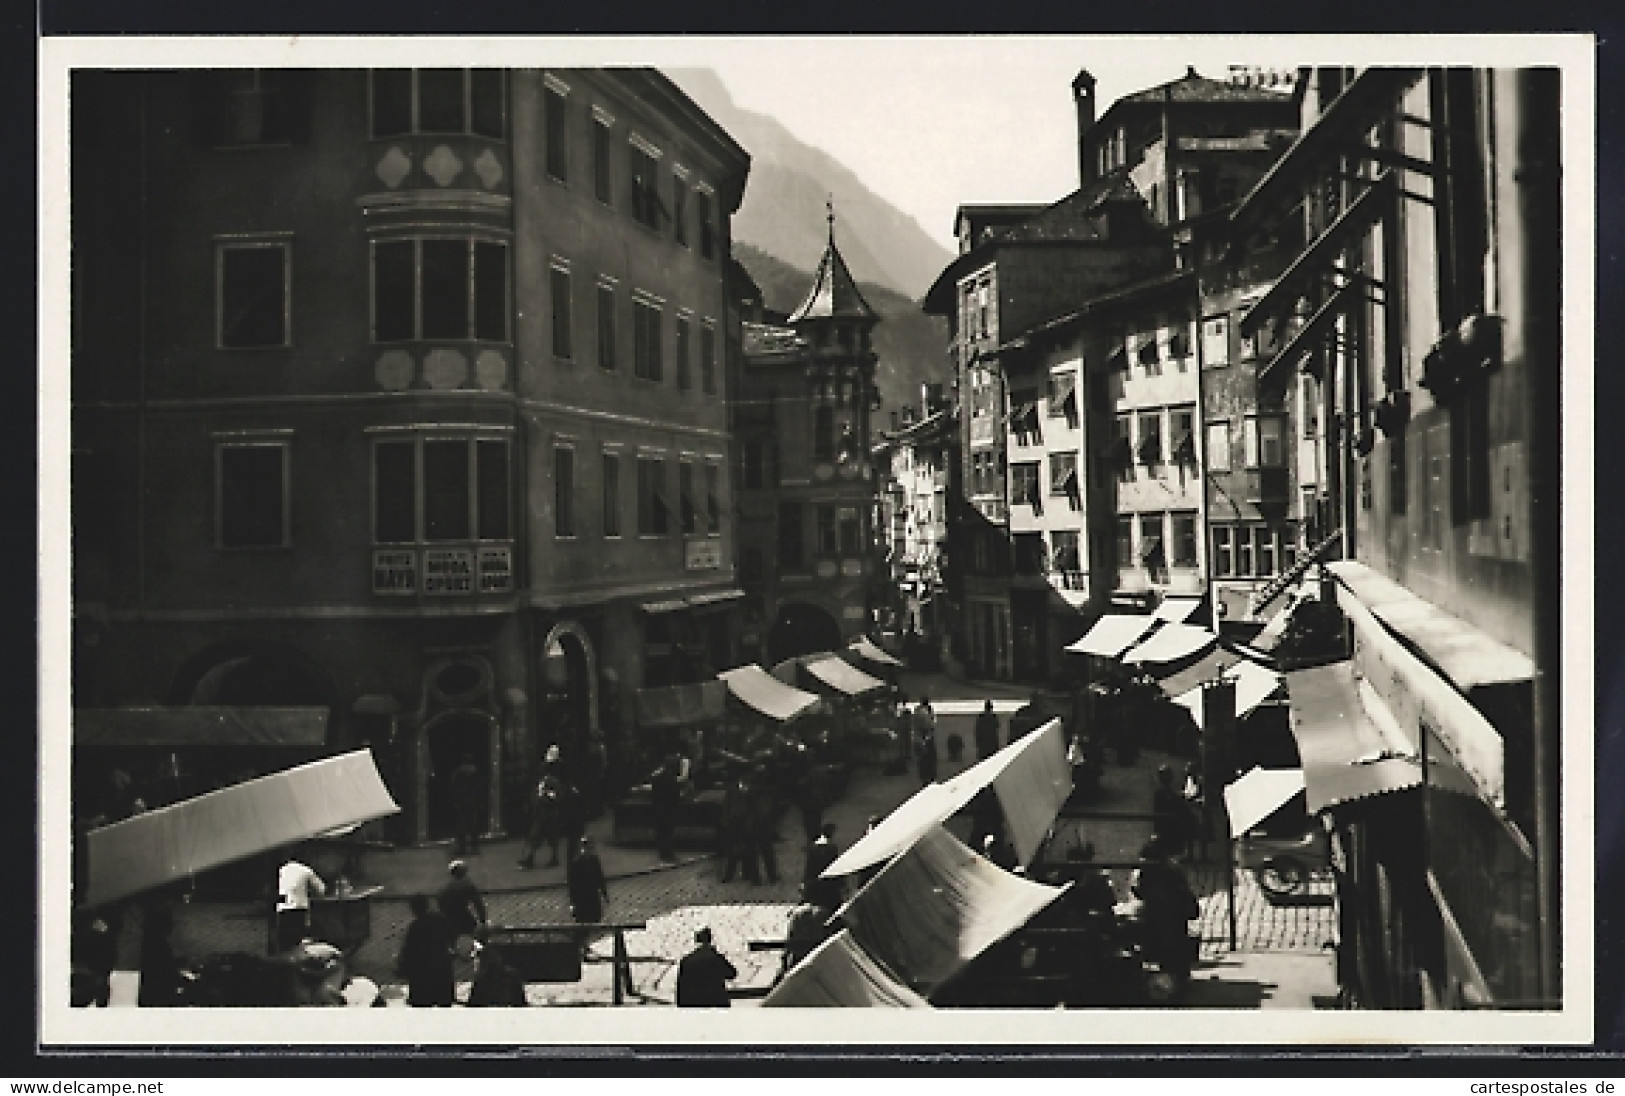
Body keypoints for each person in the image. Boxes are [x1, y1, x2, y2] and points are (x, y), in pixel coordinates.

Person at [1130, 837, 1200, 985]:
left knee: (1162, 944)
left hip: (1158, 914)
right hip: (1172, 916)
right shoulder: (1172, 869)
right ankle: (1177, 974)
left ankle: (1170, 974)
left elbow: (1137, 891)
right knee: (1173, 945)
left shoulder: (1145, 871)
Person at [397, 894, 457, 1007]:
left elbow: (408, 951)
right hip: (441, 967)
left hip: (422, 973)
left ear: (414, 909)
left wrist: (403, 968)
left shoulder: (415, 927)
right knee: (444, 1005)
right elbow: (453, 937)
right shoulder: (440, 919)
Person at [516, 753, 567, 869]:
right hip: (540, 813)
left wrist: (546, 797)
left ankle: (553, 857)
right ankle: (530, 858)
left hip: (550, 813)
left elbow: (557, 797)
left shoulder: (553, 782)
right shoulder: (541, 782)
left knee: (551, 836)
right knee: (535, 835)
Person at [275, 853, 327, 952]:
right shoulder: (306, 870)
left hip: (282, 908)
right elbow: (321, 889)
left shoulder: (282, 869)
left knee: (284, 941)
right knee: (298, 939)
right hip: (299, 908)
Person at [675, 927, 737, 1008]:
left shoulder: (686, 960)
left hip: (691, 1005)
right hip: (714, 1004)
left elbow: (680, 988)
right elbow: (732, 973)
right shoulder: (715, 958)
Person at [136, 901, 180, 1008]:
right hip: (159, 994)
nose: (172, 928)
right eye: (169, 924)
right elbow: (164, 970)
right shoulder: (159, 945)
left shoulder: (149, 943)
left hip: (151, 993)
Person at [718, 768, 758, 884]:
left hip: (747, 825)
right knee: (732, 851)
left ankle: (747, 873)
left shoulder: (752, 792)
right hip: (734, 824)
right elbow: (727, 806)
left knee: (749, 850)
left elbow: (754, 809)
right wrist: (725, 822)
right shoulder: (732, 790)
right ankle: (729, 874)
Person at [437, 860, 488, 949]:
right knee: (473, 941)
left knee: (453, 944)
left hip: (449, 920)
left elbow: (440, 905)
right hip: (463, 919)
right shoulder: (467, 885)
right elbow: (478, 904)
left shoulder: (444, 888)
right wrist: (483, 920)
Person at [747, 764, 781, 885]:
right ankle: (771, 876)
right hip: (763, 824)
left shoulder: (750, 790)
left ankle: (756, 878)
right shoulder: (769, 790)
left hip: (753, 824)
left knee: (753, 852)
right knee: (767, 851)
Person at [1152, 765, 1194, 859]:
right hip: (1170, 824)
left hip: (1167, 822)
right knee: (1190, 820)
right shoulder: (1163, 793)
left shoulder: (1164, 793)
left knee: (1189, 819)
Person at [567, 837, 609, 926]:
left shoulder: (594, 860)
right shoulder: (576, 863)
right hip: (582, 898)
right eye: (588, 848)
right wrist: (573, 902)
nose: (590, 851)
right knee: (584, 920)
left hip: (592, 895)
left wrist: (604, 893)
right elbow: (572, 884)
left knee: (595, 919)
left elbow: (600, 877)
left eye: (591, 848)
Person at [803, 823, 845, 911]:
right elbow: (835, 865)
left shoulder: (813, 847)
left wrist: (806, 883)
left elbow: (809, 868)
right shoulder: (832, 847)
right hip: (829, 883)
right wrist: (841, 883)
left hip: (816, 883)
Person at [650, 751, 683, 864]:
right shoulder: (672, 780)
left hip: (659, 809)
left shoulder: (657, 778)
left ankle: (663, 853)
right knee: (668, 833)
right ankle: (668, 854)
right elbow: (675, 797)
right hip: (669, 810)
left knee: (661, 832)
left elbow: (653, 794)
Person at [449, 755, 483, 857]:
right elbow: (478, 788)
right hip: (470, 801)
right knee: (471, 825)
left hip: (464, 802)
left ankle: (463, 847)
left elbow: (454, 788)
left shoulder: (458, 774)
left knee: (463, 826)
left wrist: (456, 801)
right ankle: (472, 847)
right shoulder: (474, 773)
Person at [912, 697, 938, 785]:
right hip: (926, 738)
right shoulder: (924, 713)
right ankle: (929, 777)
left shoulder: (917, 711)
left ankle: (924, 777)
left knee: (922, 759)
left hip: (918, 738)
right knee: (929, 758)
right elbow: (929, 725)